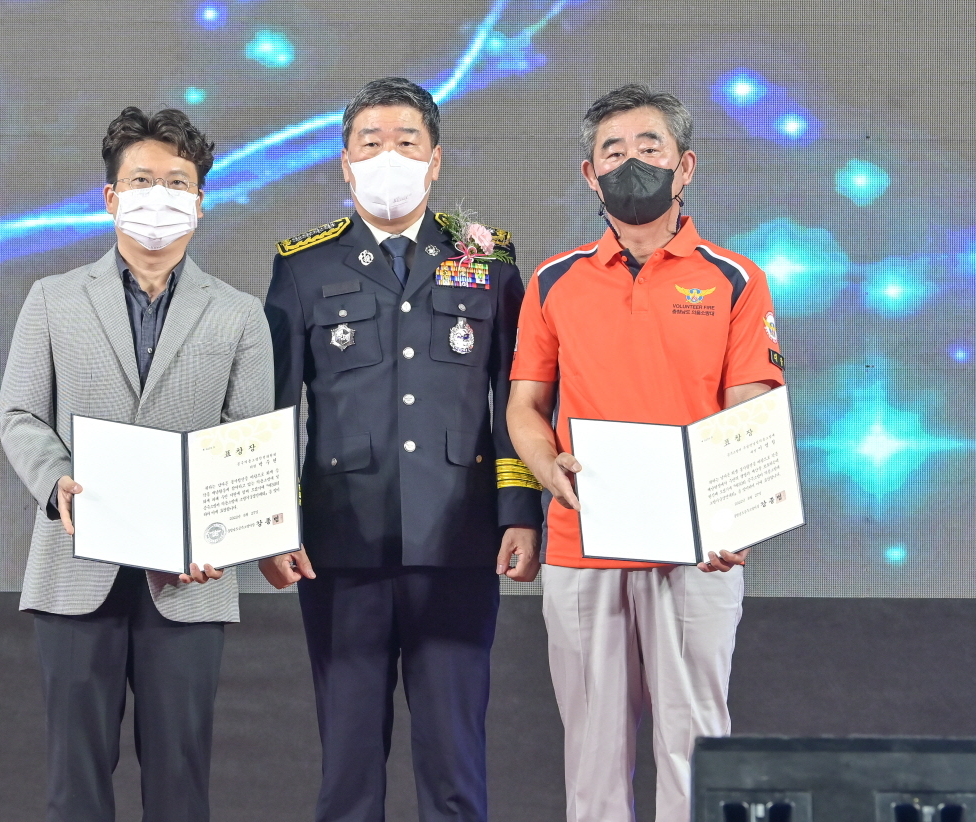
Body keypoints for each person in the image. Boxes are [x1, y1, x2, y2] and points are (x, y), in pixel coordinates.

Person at [260, 77, 543, 822]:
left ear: (435, 159)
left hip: (458, 541)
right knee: (348, 772)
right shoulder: (305, 266)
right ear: (346, 163)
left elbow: (515, 397)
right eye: (371, 142)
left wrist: (520, 511)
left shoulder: (487, 258)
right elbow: (275, 410)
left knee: (455, 767)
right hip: (340, 548)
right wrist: (273, 525)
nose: (389, 155)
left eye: (407, 141)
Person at [506, 84, 786, 822]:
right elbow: (525, 407)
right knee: (591, 756)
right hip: (581, 542)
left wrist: (733, 517)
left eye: (649, 147)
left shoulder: (735, 278)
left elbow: (751, 411)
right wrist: (547, 469)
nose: (631, 162)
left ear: (684, 165)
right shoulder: (554, 280)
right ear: (590, 174)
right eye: (613, 151)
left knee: (696, 747)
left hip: (696, 550)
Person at [0, 106, 273, 822]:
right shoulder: (53, 299)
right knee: (75, 784)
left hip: (188, 580)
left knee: (181, 783)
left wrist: (214, 535)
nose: (160, 197)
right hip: (74, 569)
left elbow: (247, 438)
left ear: (200, 201)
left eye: (177, 183)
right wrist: (56, 482)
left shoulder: (240, 314)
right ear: (111, 197)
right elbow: (19, 414)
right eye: (142, 181)